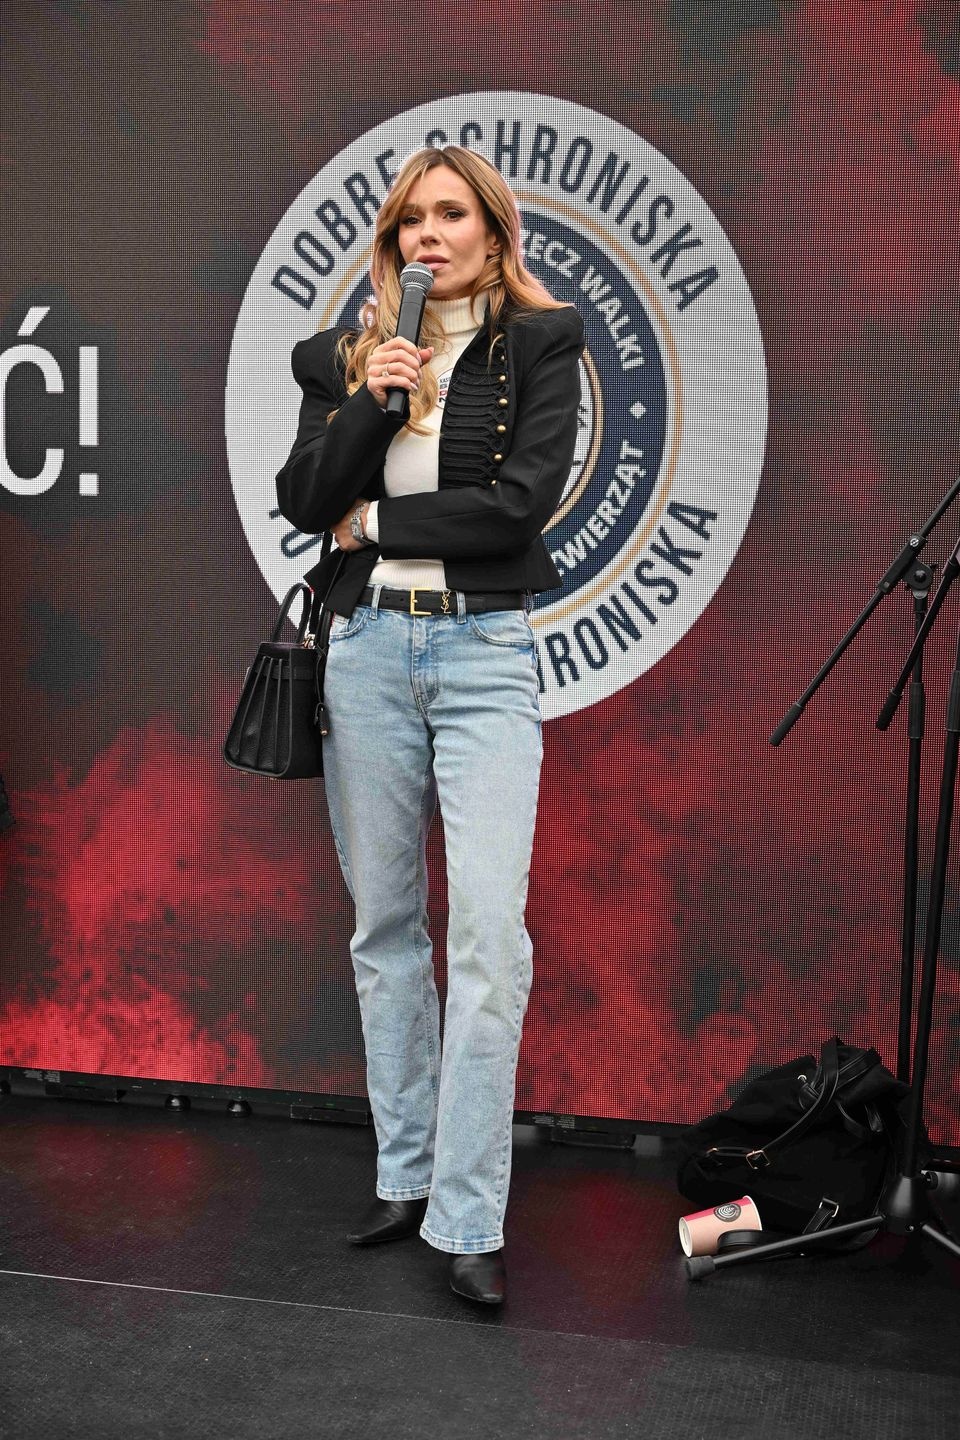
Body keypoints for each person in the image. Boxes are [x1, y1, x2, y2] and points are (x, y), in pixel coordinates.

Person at [275, 143, 584, 1306]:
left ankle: (467, 1216)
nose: (429, 236)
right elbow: (303, 500)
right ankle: (404, 1176)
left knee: (490, 941)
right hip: (364, 656)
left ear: (494, 233)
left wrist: (373, 527)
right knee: (387, 930)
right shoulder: (346, 357)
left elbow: (516, 512)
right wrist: (373, 401)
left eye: (452, 215)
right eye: (412, 219)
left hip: (483, 654)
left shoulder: (540, 344)